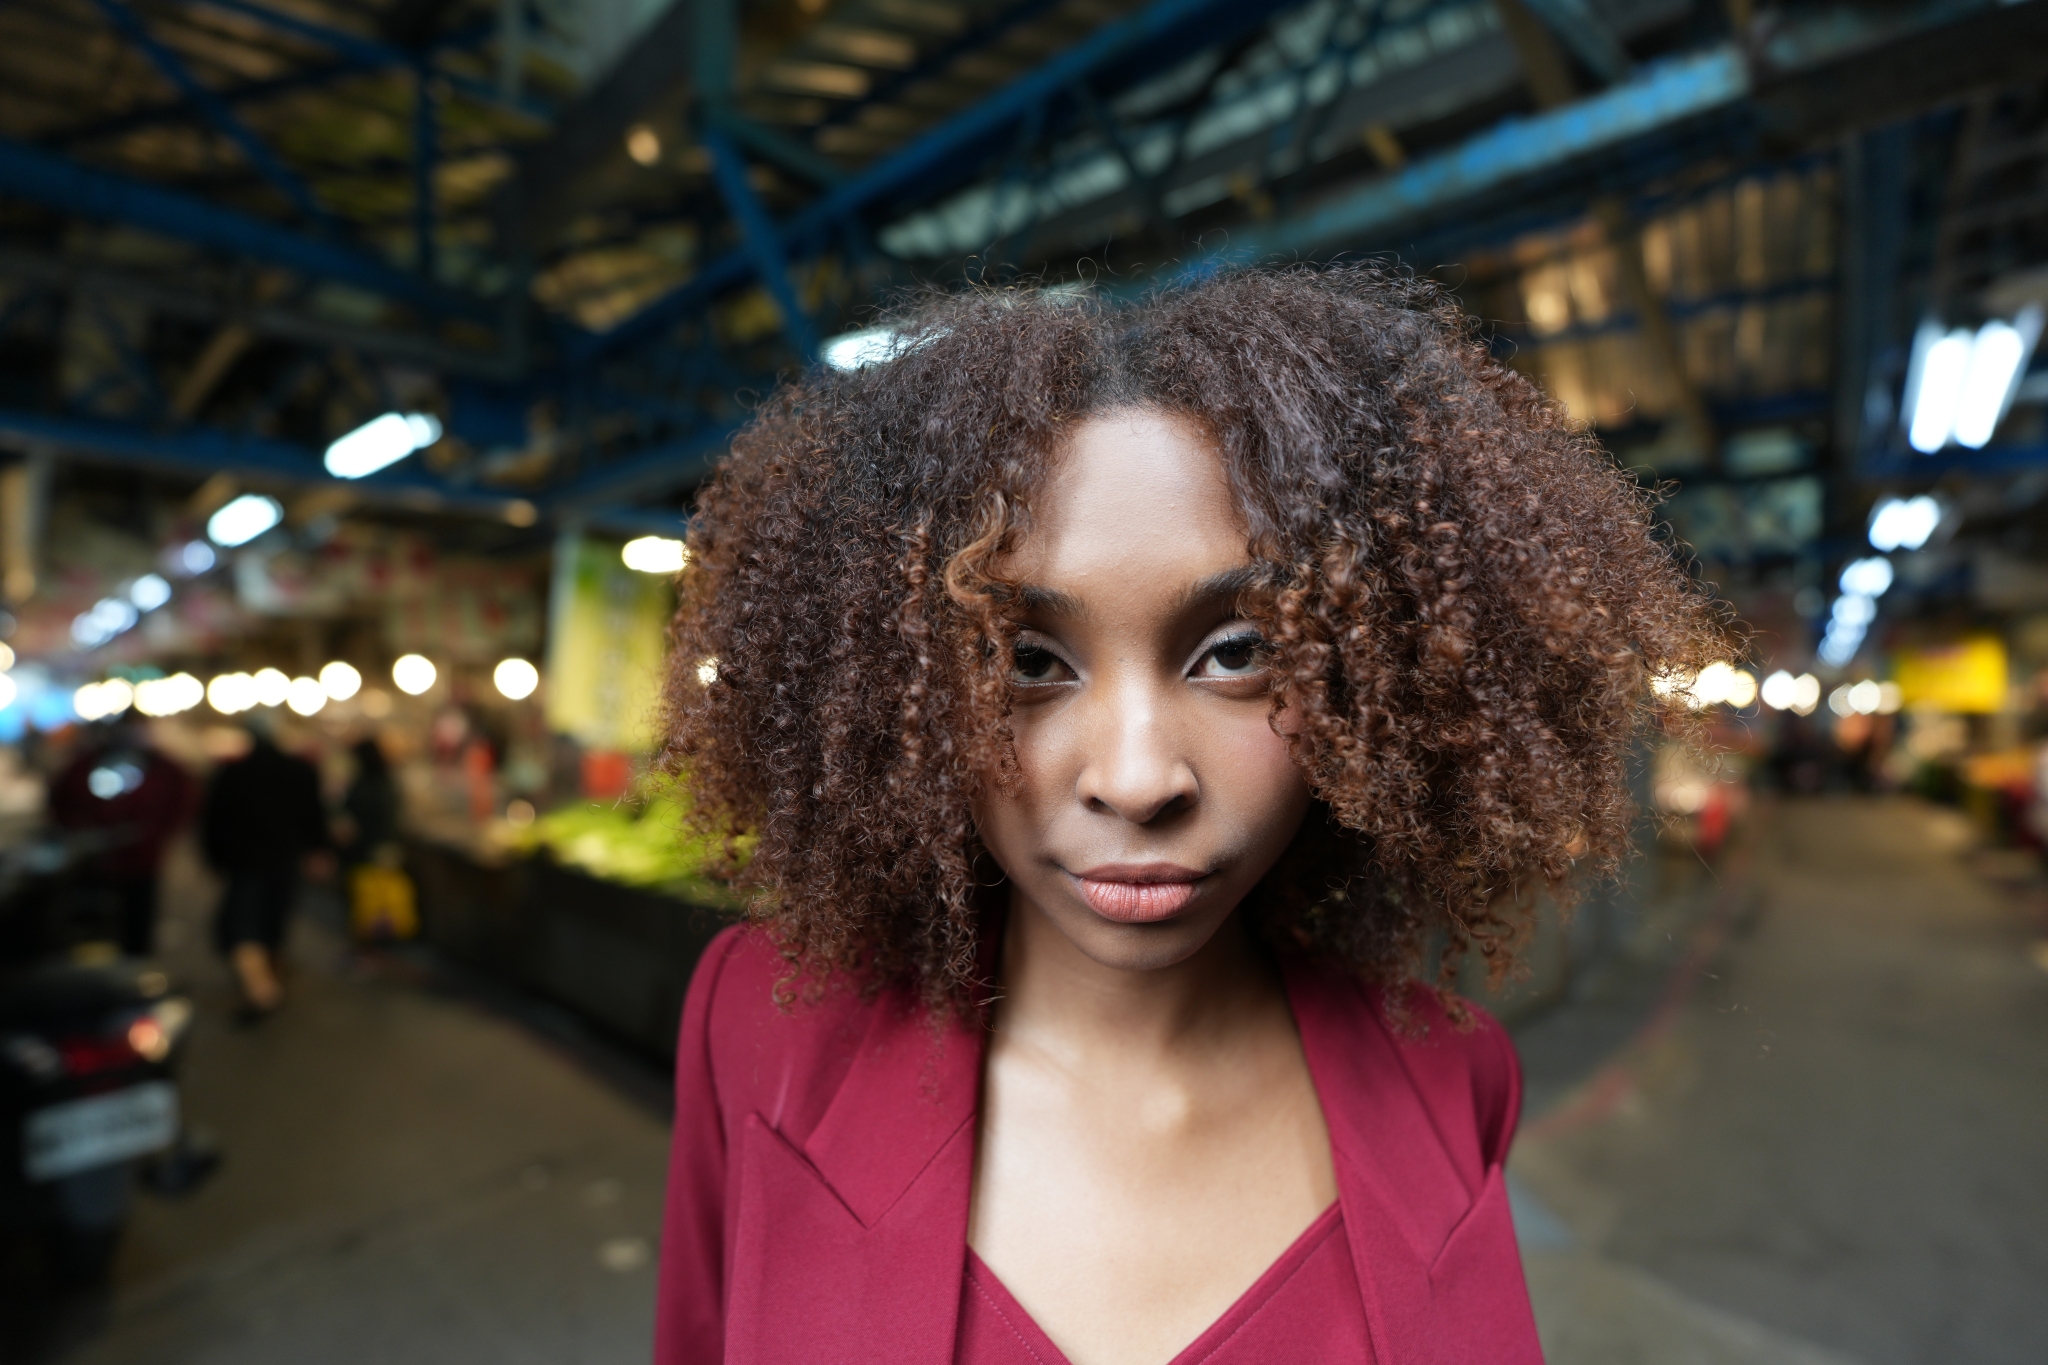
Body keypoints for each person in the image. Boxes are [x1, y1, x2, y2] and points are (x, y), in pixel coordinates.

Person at [652, 269, 1719, 1364]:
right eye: (1027, 660)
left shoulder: (1454, 1080)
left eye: (1237, 653)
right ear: (894, 682)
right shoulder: (758, 1032)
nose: (1135, 776)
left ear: (1376, 674)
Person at [200, 717, 329, 1015]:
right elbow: (314, 814)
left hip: (246, 862)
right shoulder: (299, 770)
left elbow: (213, 821)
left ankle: (262, 989)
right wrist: (318, 849)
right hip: (284, 859)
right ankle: (270, 978)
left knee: (241, 926)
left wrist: (215, 859)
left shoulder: (233, 773)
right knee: (273, 920)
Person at [48, 715, 196, 957]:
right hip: (94, 859)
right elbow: (60, 798)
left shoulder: (162, 766)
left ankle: (135, 964)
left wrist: (154, 832)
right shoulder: (86, 763)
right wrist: (79, 831)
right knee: (94, 923)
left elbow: (182, 802)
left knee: (138, 919)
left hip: (140, 859)